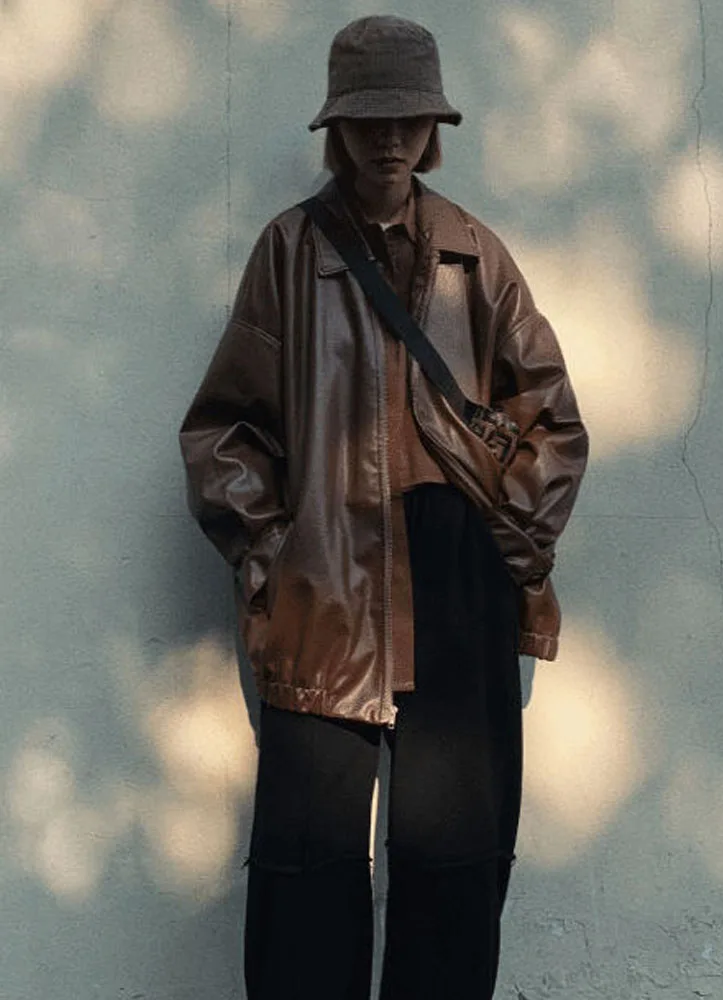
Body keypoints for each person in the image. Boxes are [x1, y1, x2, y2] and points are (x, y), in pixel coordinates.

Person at [179, 15, 588, 1000]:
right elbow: (224, 431)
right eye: (369, 119)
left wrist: (506, 546)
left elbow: (554, 423)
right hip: (327, 574)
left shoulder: (474, 256)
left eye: (408, 117)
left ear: (434, 126)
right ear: (338, 129)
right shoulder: (289, 253)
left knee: (456, 851)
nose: (390, 138)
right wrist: (274, 554)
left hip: (457, 575)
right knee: (306, 858)